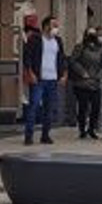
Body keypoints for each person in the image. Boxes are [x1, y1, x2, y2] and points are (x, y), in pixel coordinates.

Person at [21, 15, 66, 146]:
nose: (56, 28)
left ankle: (45, 135)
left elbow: (61, 58)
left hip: (52, 79)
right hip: (39, 79)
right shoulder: (35, 39)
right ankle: (28, 136)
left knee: (49, 108)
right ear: (46, 26)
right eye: (54, 25)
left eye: (57, 26)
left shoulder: (58, 41)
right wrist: (30, 73)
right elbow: (27, 57)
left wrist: (63, 74)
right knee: (33, 106)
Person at [68, 28, 102, 138]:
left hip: (95, 82)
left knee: (96, 107)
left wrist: (99, 75)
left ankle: (91, 129)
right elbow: (73, 61)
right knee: (83, 107)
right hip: (82, 82)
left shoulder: (100, 49)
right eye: (90, 34)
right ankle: (82, 129)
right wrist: (82, 72)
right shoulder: (80, 47)